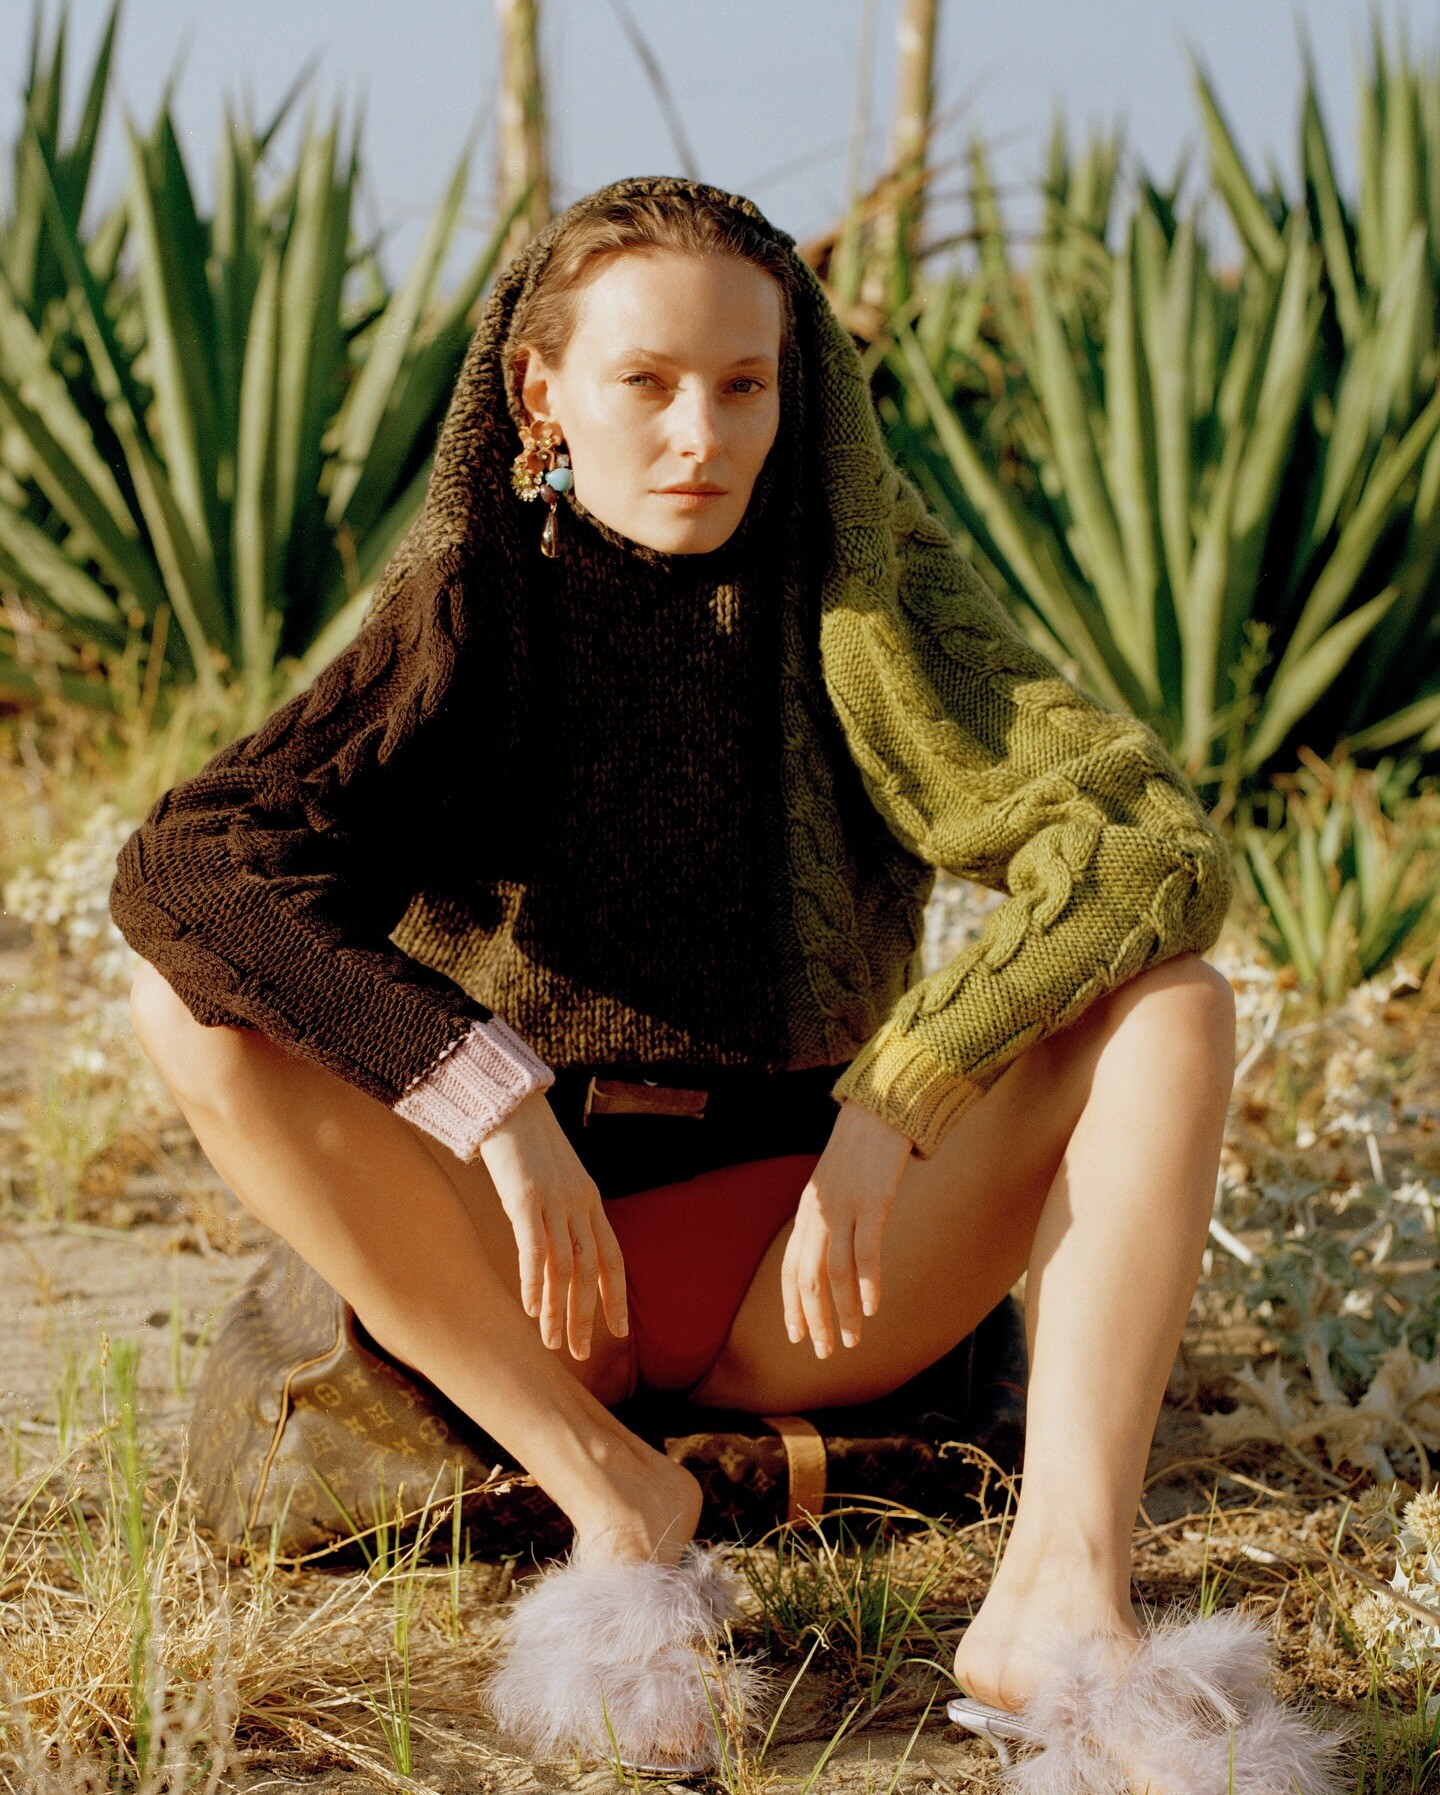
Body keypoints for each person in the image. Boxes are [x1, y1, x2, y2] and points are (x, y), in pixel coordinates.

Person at [108, 176, 1333, 1789]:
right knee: (182, 1005)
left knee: (1176, 1005)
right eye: (648, 381)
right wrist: (489, 1097)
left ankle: (1058, 1597)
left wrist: (904, 1093)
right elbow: (189, 869)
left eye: (744, 385)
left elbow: (1147, 846)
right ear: (541, 392)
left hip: (809, 1270)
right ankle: (614, 1499)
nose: (703, 435)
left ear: (791, 389)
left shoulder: (869, 596)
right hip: (528, 1274)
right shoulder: (469, 606)